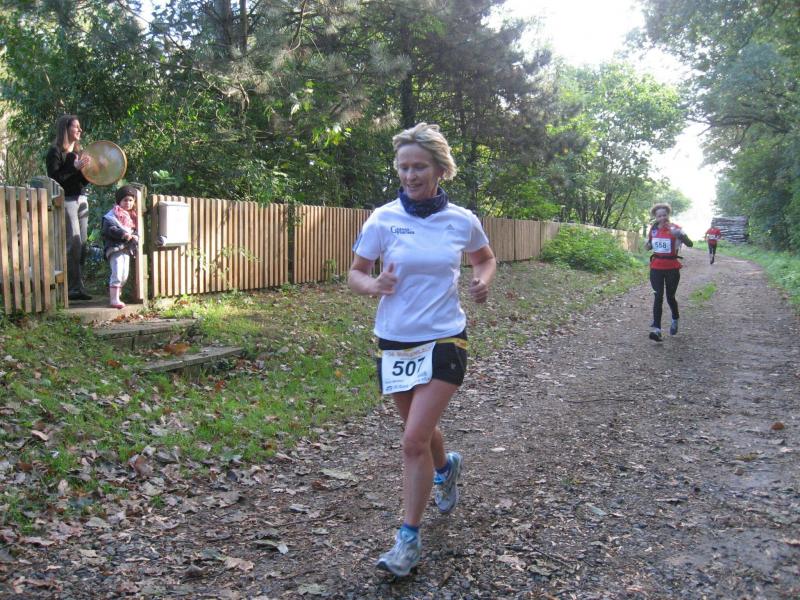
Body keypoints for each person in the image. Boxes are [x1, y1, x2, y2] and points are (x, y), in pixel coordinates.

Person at [348, 122, 496, 577]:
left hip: (445, 337)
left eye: (419, 167)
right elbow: (355, 273)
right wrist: (374, 285)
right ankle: (446, 468)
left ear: (439, 169)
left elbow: (485, 258)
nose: (410, 176)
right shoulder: (383, 218)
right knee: (420, 430)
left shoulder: (462, 220)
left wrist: (482, 281)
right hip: (394, 340)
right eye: (404, 167)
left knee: (412, 440)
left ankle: (407, 540)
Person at [46, 114, 93, 301]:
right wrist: (74, 167)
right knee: (73, 244)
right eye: (76, 126)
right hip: (66, 201)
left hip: (81, 200)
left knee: (82, 245)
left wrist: (90, 172)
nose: (80, 130)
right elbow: (54, 180)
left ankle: (77, 286)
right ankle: (70, 288)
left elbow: (81, 181)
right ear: (66, 129)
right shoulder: (55, 151)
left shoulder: (79, 152)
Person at [645, 203, 693, 342]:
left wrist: (681, 235)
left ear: (668, 215)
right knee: (658, 297)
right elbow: (649, 246)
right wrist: (647, 245)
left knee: (670, 297)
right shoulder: (653, 229)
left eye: (664, 215)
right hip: (656, 268)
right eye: (659, 216)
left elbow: (690, 244)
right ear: (655, 217)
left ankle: (675, 318)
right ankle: (657, 329)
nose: (662, 218)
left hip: (672, 268)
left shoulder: (676, 228)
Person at [101, 185, 139, 309]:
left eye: (130, 200)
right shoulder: (112, 215)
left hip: (126, 249)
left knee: (124, 275)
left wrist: (135, 236)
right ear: (119, 201)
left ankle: (117, 295)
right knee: (117, 273)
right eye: (125, 200)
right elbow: (109, 229)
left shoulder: (132, 216)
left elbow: (135, 231)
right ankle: (114, 299)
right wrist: (123, 234)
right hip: (115, 248)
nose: (128, 203)